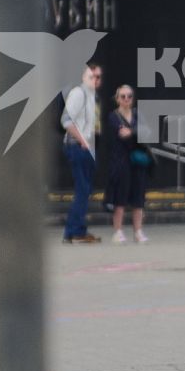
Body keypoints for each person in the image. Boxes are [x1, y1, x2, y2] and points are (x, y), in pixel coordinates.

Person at [61, 61, 103, 245]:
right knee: (82, 190)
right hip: (77, 146)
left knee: (84, 190)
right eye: (92, 76)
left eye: (98, 77)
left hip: (86, 147)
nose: (96, 80)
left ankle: (75, 230)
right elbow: (66, 120)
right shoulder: (78, 93)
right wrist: (82, 140)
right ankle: (74, 231)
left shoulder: (92, 96)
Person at [106, 84, 149, 244]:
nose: (126, 99)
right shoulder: (113, 116)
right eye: (123, 96)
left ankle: (138, 232)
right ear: (117, 99)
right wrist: (135, 132)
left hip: (137, 161)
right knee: (120, 198)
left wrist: (132, 132)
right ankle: (118, 231)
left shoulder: (138, 114)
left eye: (129, 96)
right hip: (121, 162)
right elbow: (120, 133)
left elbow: (146, 131)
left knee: (138, 198)